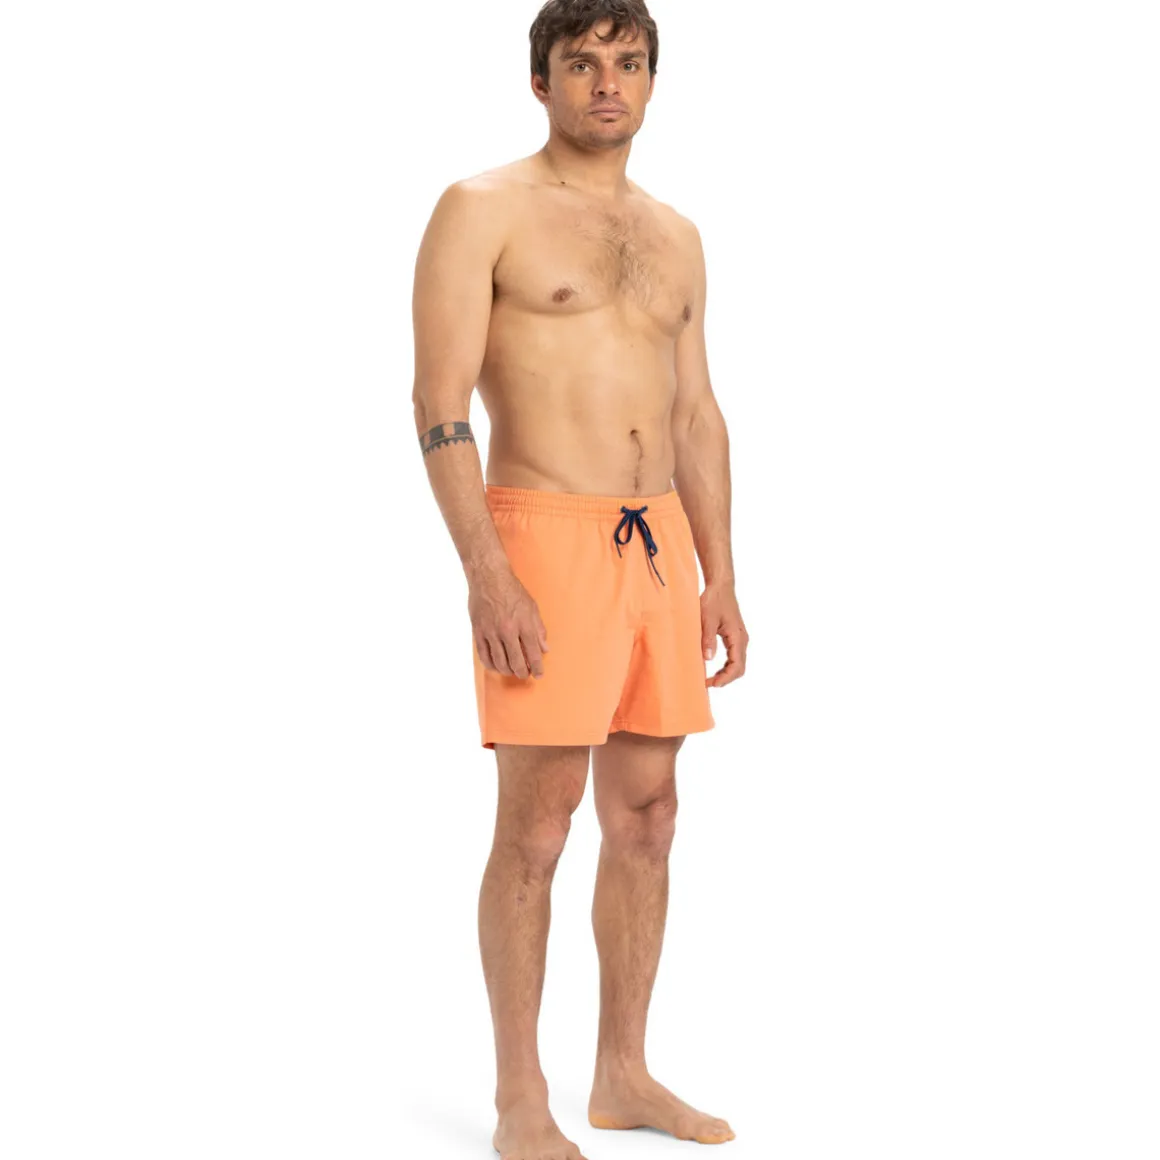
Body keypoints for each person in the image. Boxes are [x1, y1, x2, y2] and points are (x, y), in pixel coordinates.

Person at [412, 1, 748, 1155]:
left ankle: (622, 1072)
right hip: (541, 536)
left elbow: (695, 413)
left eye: (628, 62)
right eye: (582, 62)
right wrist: (486, 572)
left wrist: (718, 574)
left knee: (647, 814)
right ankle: (520, 1093)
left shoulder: (675, 234)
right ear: (541, 81)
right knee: (540, 820)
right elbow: (437, 402)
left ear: (650, 82)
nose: (608, 82)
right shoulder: (481, 208)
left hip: (655, 544)